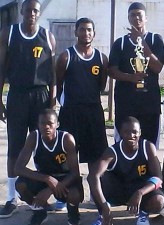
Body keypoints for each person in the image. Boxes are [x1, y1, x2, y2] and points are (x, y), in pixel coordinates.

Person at [0, 0, 56, 218]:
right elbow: (1, 68)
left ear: (39, 13)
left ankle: (41, 195)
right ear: (21, 11)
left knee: (42, 148)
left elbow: (52, 75)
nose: (32, 13)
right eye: (29, 10)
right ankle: (11, 197)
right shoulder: (9, 33)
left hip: (40, 96)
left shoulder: (47, 36)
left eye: (36, 10)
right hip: (17, 94)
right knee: (15, 146)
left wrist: (52, 102)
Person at [55, 17, 108, 223]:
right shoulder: (66, 57)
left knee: (96, 157)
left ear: (93, 34)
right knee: (70, 158)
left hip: (93, 113)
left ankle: (97, 196)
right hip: (71, 113)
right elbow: (58, 85)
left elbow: (101, 86)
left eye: (89, 30)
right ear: (75, 32)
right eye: (82, 30)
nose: (86, 33)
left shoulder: (101, 59)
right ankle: (67, 196)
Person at [108, 2, 164, 148]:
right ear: (128, 18)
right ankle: (124, 170)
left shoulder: (155, 39)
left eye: (139, 14)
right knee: (124, 142)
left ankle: (149, 170)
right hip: (126, 102)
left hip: (149, 102)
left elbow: (158, 67)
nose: (136, 18)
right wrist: (130, 77)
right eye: (132, 15)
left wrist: (141, 41)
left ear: (146, 18)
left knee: (149, 143)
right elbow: (112, 71)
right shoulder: (120, 43)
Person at [91, 116, 164, 225]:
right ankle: (103, 215)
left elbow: (159, 178)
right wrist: (103, 205)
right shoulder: (112, 152)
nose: (131, 136)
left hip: (141, 189)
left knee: (159, 201)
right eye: (127, 132)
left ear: (140, 132)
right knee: (100, 178)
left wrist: (140, 192)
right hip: (120, 189)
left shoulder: (147, 147)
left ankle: (143, 214)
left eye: (135, 132)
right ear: (120, 133)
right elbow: (93, 176)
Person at [14, 109, 83, 225]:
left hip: (65, 179)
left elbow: (75, 173)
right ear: (38, 124)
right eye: (42, 123)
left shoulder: (66, 139)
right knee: (20, 185)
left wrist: (51, 189)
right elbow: (18, 168)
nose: (46, 127)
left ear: (57, 124)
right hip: (44, 177)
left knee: (74, 194)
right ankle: (39, 210)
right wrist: (48, 179)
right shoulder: (33, 137)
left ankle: (73, 214)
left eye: (50, 123)